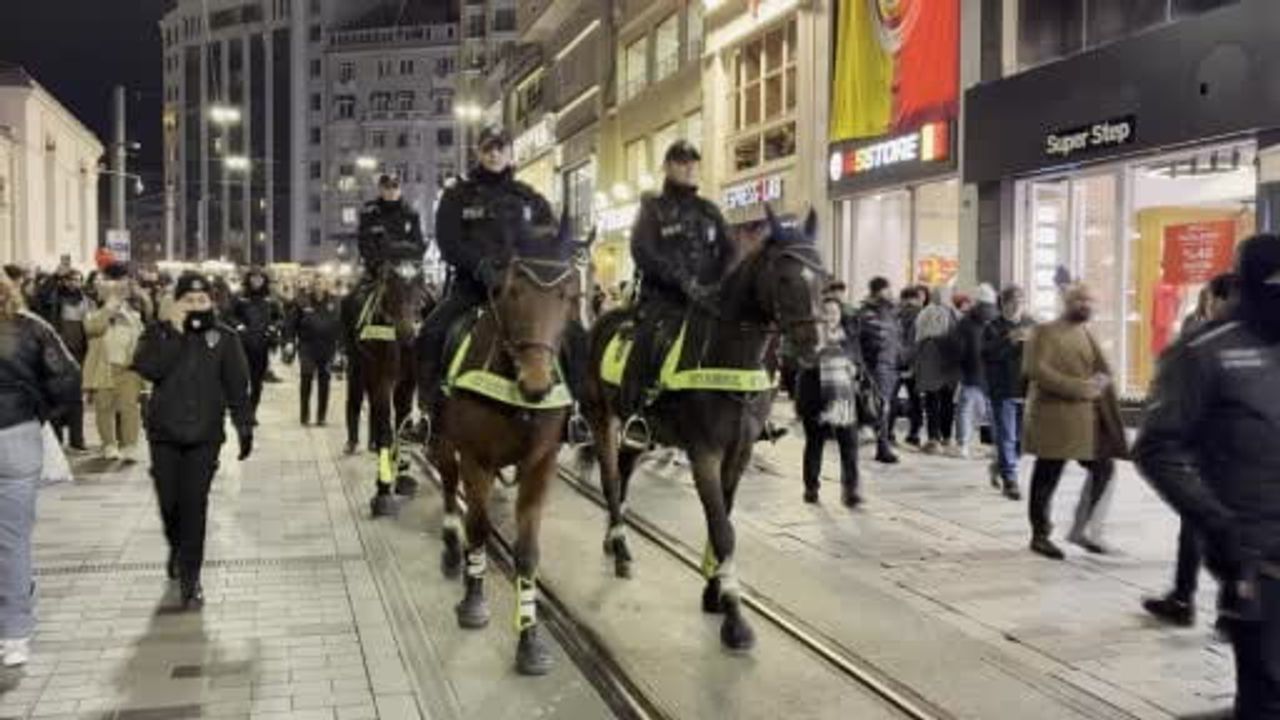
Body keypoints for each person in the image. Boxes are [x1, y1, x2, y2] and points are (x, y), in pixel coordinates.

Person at [1134, 236, 1280, 718]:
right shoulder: (1203, 353)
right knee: (1267, 693)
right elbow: (1157, 447)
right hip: (1257, 558)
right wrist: (1218, 524)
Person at [417, 126, 554, 424]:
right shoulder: (457, 195)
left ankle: (576, 414)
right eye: (488, 148)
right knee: (431, 331)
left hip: (520, 291)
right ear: (478, 152)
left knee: (570, 334)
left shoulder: (528, 197)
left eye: (500, 148)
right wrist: (480, 267)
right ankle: (428, 412)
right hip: (472, 289)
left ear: (509, 153)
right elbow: (448, 240)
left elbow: (549, 236)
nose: (494, 154)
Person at [133, 272, 253, 609]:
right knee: (169, 502)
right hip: (165, 434)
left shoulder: (224, 337)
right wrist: (172, 331)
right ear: (177, 302)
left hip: (204, 435)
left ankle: (191, 577)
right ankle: (177, 546)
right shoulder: (158, 333)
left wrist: (244, 426)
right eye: (189, 300)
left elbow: (237, 385)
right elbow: (147, 367)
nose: (197, 307)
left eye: (202, 301)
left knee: (194, 504)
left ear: (212, 302)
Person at [618, 139, 734, 448]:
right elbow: (642, 250)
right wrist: (682, 281)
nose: (690, 167)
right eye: (683, 162)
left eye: (694, 162)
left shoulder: (708, 210)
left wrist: (720, 284)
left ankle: (747, 410)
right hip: (665, 300)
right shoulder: (653, 207)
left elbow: (729, 250)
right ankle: (636, 413)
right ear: (668, 167)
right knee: (648, 341)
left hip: (708, 301)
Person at [1141, 272, 1238, 627]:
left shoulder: (1203, 344)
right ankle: (1225, 603)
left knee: (1203, 522)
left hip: (1213, 453)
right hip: (1238, 458)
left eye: (1211, 299)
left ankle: (1193, 599)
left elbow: (1156, 438)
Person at [0, 272, 81, 667]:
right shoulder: (32, 327)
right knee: (13, 541)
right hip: (18, 435)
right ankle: (15, 633)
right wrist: (43, 414)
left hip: (17, 434)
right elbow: (67, 376)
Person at [1023, 283, 1127, 560]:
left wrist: (1097, 385)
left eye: (1090, 300)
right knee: (1048, 473)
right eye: (1080, 299)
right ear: (1067, 302)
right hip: (1053, 417)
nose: (1086, 304)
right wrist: (1079, 388)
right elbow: (1036, 370)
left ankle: (1082, 529)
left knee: (1103, 467)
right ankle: (1040, 534)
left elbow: (1104, 371)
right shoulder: (1043, 332)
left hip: (1084, 421)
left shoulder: (1086, 333)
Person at [796, 297, 863, 507]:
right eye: (827, 312)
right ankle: (811, 488)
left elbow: (858, 361)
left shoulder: (849, 336)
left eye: (835, 312)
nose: (831, 316)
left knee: (850, 445)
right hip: (815, 399)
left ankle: (850, 491)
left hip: (844, 401)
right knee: (815, 444)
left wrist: (854, 369)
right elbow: (800, 362)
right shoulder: (809, 337)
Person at [82, 263, 146, 462]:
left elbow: (141, 335)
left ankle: (130, 446)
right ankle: (109, 444)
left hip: (128, 369)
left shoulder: (133, 315)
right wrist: (109, 308)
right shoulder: (92, 312)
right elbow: (93, 328)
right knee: (104, 408)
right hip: (103, 368)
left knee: (130, 409)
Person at [982, 285, 1036, 500]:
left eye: (1021, 300)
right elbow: (986, 354)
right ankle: (1010, 481)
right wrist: (1009, 340)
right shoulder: (992, 327)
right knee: (1007, 436)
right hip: (1002, 389)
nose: (1017, 305)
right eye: (1012, 301)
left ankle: (999, 465)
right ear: (1002, 304)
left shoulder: (1032, 324)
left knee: (1024, 442)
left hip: (1027, 388)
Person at [45, 269, 91, 453]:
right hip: (57, 354)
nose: (74, 283)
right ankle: (57, 440)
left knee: (76, 400)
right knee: (56, 398)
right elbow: (41, 298)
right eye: (71, 279)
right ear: (63, 281)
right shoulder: (54, 298)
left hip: (80, 354)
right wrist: (53, 277)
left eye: (78, 280)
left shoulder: (87, 301)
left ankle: (77, 440)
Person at [858, 277, 902, 464]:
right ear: (879, 291)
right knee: (881, 406)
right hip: (877, 366)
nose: (890, 292)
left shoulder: (890, 311)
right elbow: (865, 341)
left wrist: (901, 359)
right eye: (887, 289)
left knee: (883, 406)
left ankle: (881, 443)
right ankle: (882, 447)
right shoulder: (867, 313)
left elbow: (895, 339)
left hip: (890, 365)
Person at [230, 268, 282, 423]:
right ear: (249, 279)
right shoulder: (240, 297)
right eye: (254, 278)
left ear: (264, 280)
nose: (256, 281)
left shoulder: (270, 299)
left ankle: (252, 411)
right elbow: (230, 315)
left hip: (262, 345)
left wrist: (273, 328)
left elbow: (279, 317)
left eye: (260, 278)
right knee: (241, 381)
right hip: (242, 345)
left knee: (257, 382)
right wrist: (239, 326)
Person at [954, 284, 999, 459]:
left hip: (971, 369)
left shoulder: (965, 320)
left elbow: (957, 347)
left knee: (965, 408)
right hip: (992, 371)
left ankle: (963, 445)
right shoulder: (997, 319)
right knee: (994, 410)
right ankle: (996, 446)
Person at [914, 286, 960, 453]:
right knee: (941, 400)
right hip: (939, 359)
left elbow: (917, 338)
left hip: (936, 358)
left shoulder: (926, 313)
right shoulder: (952, 313)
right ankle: (941, 437)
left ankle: (938, 438)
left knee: (938, 400)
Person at [290, 277, 341, 426]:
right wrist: (289, 341)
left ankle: (321, 416)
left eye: (322, 283)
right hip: (307, 347)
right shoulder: (302, 302)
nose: (319, 286)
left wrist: (341, 348)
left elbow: (341, 325)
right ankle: (304, 415)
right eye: (316, 283)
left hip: (327, 348)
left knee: (324, 382)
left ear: (327, 285)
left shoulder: (335, 302)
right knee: (306, 380)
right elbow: (291, 323)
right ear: (312, 286)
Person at [891, 286, 926, 447]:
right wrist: (913, 366)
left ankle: (888, 433)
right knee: (915, 400)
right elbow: (920, 344)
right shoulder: (922, 315)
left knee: (891, 400)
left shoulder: (893, 315)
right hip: (914, 364)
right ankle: (914, 434)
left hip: (894, 364)